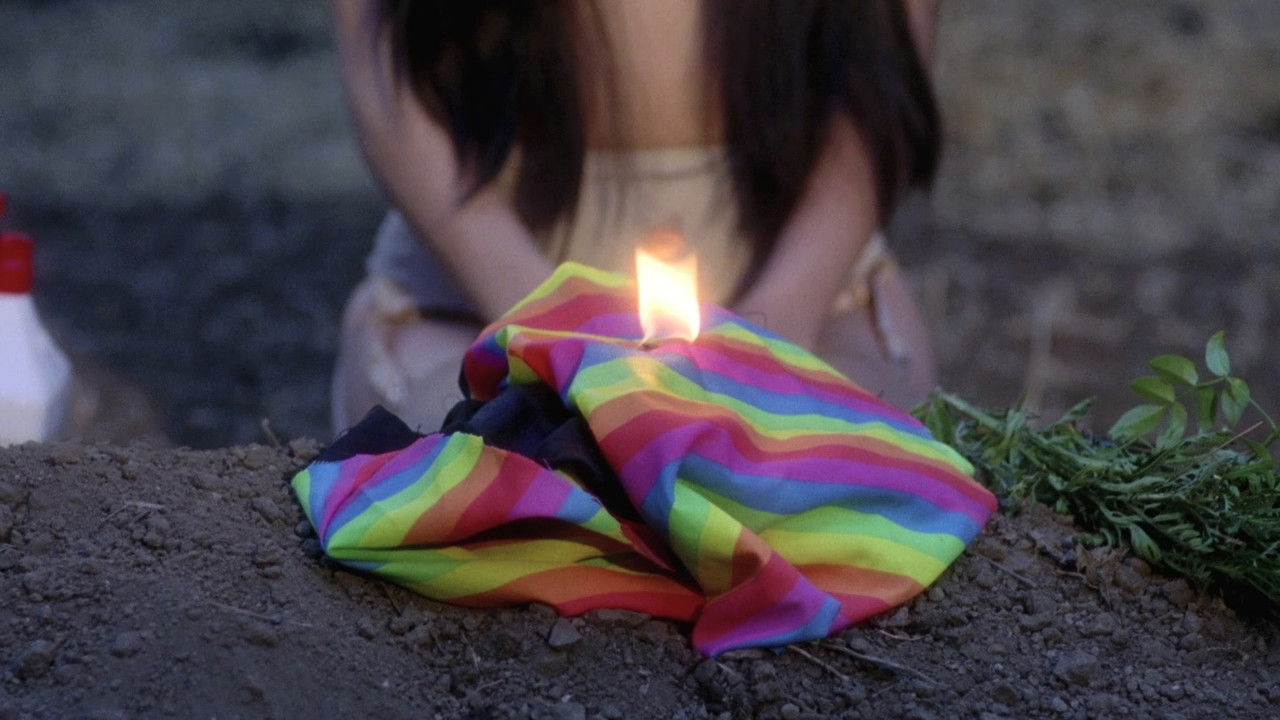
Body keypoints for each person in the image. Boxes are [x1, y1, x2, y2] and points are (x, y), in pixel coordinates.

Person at [331, 0, 943, 433]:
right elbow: (381, 71)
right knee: (478, 485)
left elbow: (881, 80)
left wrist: (777, 327)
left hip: (806, 282)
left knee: (838, 487)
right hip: (477, 292)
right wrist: (550, 333)